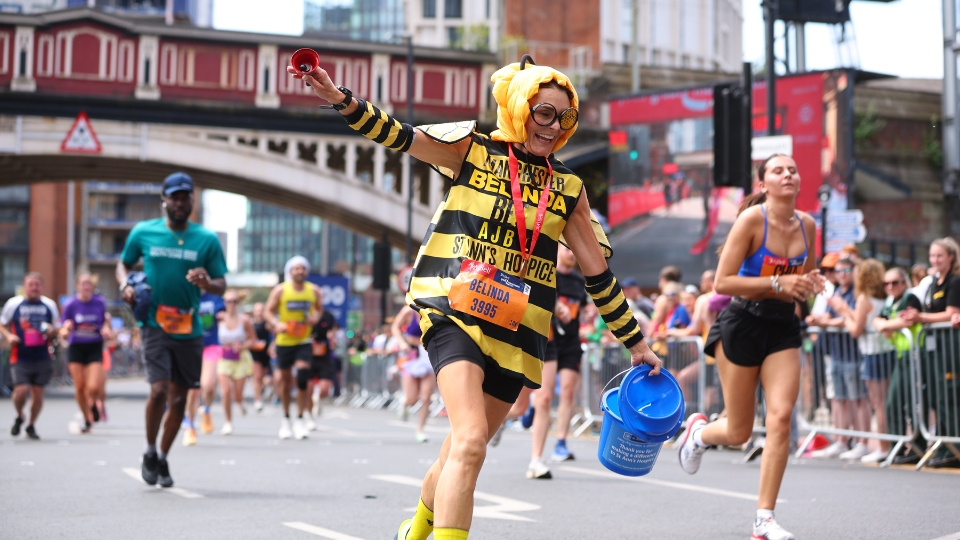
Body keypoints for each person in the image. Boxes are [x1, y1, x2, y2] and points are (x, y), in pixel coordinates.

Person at [292, 56, 660, 540]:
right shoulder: (474, 152)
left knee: (459, 449)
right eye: (542, 112)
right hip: (455, 312)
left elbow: (599, 277)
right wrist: (340, 98)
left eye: (563, 117)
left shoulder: (567, 189)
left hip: (518, 333)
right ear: (518, 109)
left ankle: (416, 530)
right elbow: (399, 134)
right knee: (470, 445)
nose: (552, 126)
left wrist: (637, 343)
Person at [677, 154, 823, 540]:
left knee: (780, 418)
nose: (788, 174)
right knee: (739, 431)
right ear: (763, 185)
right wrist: (778, 284)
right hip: (742, 323)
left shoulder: (808, 225)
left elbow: (801, 279)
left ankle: (764, 519)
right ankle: (698, 434)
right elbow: (721, 283)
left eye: (793, 169)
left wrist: (810, 283)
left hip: (782, 329)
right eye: (778, 170)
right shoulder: (751, 221)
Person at [117, 172, 227, 488]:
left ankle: (162, 456)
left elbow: (221, 284)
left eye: (185, 197)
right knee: (159, 390)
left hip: (189, 326)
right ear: (164, 200)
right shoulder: (143, 231)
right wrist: (126, 283)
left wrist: (208, 283)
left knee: (179, 400)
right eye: (174, 197)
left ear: (192, 201)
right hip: (153, 322)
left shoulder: (206, 239)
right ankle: (149, 449)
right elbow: (124, 263)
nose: (180, 203)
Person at [901, 237, 960, 468]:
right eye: (932, 256)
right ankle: (943, 445)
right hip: (934, 347)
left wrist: (921, 318)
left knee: (950, 397)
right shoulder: (933, 281)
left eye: (940, 256)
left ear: (951, 257)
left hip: (949, 346)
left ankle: (953, 449)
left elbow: (951, 313)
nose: (935, 260)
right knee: (938, 398)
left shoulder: (955, 281)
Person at [830, 259, 896, 463]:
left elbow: (856, 330)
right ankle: (887, 445)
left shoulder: (863, 298)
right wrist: (848, 313)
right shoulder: (882, 296)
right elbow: (864, 318)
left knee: (879, 404)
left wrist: (843, 314)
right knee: (884, 402)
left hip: (873, 354)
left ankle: (884, 447)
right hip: (886, 352)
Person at [808, 256, 871, 460]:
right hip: (835, 352)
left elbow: (848, 319)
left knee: (858, 399)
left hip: (853, 354)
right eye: (838, 271)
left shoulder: (857, 293)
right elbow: (829, 317)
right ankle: (842, 440)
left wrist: (830, 321)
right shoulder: (836, 292)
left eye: (846, 271)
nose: (841, 275)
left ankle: (862, 441)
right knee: (839, 399)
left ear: (854, 272)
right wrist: (822, 320)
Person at [264, 255, 323, 440]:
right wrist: (276, 323)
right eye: (296, 269)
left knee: (303, 375)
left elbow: (319, 309)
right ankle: (286, 418)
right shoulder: (281, 290)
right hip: (284, 341)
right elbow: (267, 311)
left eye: (303, 268)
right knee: (284, 381)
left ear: (307, 271)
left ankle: (300, 419)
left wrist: (315, 318)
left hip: (303, 341)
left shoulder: (314, 290)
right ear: (290, 272)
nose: (300, 271)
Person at [0, 272, 60, 440]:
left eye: (37, 284)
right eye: (31, 284)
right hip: (20, 356)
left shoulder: (49, 305)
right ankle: (20, 415)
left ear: (41, 286)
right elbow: (2, 324)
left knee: (38, 394)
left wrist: (52, 330)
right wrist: (9, 336)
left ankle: (31, 425)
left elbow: (58, 329)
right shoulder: (14, 304)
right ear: (24, 287)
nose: (34, 288)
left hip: (42, 355)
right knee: (21, 391)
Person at [872, 266, 923, 462]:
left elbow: (906, 322)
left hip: (917, 354)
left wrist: (884, 325)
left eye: (894, 283)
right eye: (886, 283)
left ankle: (917, 449)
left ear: (904, 283)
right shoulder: (890, 302)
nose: (890, 287)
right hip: (901, 355)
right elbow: (879, 320)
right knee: (893, 403)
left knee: (913, 403)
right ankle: (897, 448)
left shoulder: (911, 299)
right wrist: (882, 323)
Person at [60, 273, 113, 433]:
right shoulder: (70, 305)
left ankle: (93, 402)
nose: (87, 286)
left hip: (94, 346)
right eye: (83, 283)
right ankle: (86, 418)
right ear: (78, 286)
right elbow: (63, 331)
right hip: (76, 347)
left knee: (94, 386)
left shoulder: (99, 302)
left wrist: (106, 329)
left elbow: (105, 322)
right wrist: (67, 329)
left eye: (89, 283)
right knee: (80, 387)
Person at [183, 290, 225, 445]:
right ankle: (190, 427)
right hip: (190, 345)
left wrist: (223, 317)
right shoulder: (185, 295)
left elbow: (222, 313)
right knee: (193, 390)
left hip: (210, 346)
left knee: (208, 385)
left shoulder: (214, 298)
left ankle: (206, 409)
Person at [391, 305, 436, 443]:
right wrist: (401, 342)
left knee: (426, 396)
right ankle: (404, 403)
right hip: (411, 355)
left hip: (428, 355)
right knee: (412, 399)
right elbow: (395, 327)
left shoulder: (436, 308)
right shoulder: (409, 310)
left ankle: (420, 430)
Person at [215, 289, 256, 434]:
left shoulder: (244, 320)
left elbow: (253, 340)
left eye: (234, 301)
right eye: (228, 301)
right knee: (225, 391)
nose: (231, 304)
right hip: (224, 359)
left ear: (238, 303)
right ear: (224, 303)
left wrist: (242, 346)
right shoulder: (219, 318)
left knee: (237, 395)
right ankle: (228, 422)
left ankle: (240, 402)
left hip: (240, 359)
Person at [309, 302, 338, 425]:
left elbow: (332, 330)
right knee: (308, 388)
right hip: (307, 354)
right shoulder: (306, 315)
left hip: (324, 354)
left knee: (325, 388)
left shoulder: (328, 316)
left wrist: (331, 338)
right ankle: (308, 417)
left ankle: (318, 399)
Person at [249, 302, 274, 412]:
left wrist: (272, 346)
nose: (259, 312)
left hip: (266, 353)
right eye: (257, 310)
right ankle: (257, 400)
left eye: (261, 310)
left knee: (266, 378)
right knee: (257, 376)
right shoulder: (250, 324)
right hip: (255, 353)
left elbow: (276, 335)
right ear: (254, 312)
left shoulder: (267, 324)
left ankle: (261, 390)